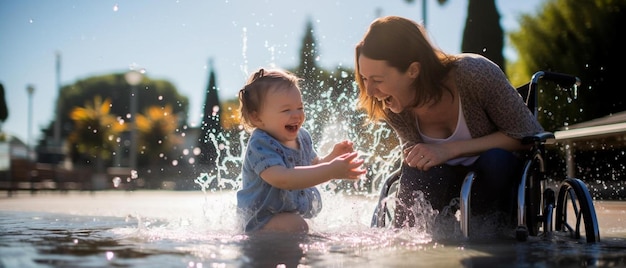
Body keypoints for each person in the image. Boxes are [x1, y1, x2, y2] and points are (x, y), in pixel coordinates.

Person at [354, 16, 544, 228]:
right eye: (364, 78)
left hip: (496, 178)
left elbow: (528, 135)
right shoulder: (392, 104)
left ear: (413, 71)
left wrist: (449, 149)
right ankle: (407, 243)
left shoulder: (474, 75)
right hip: (443, 181)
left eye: (377, 80)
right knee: (416, 166)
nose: (369, 91)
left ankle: (491, 238)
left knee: (496, 160)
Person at [236, 68, 366, 233]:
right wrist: (331, 170)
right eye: (286, 110)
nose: (297, 115)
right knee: (299, 226)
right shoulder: (260, 144)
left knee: (303, 227)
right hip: (260, 219)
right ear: (257, 118)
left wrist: (332, 159)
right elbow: (282, 179)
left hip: (286, 214)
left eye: (300, 108)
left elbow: (312, 167)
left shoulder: (302, 137)